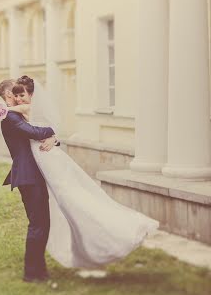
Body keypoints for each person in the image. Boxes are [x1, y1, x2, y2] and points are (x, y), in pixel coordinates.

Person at [9, 75, 159, 269]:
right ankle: (86, 250)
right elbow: (42, 129)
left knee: (75, 201)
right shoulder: (28, 113)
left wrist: (1, 109)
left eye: (22, 95)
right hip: (43, 162)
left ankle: (121, 231)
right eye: (17, 96)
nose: (19, 99)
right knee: (69, 207)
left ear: (32, 94)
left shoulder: (26, 109)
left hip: (50, 162)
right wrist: (53, 136)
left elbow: (32, 124)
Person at [0, 79, 59, 282]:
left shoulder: (18, 115)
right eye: (13, 93)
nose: (17, 97)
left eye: (19, 93)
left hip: (33, 174)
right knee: (38, 223)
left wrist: (54, 138)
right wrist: (54, 131)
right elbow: (34, 132)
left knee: (42, 222)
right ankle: (32, 273)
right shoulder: (10, 116)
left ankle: (38, 269)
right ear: (7, 96)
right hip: (28, 176)